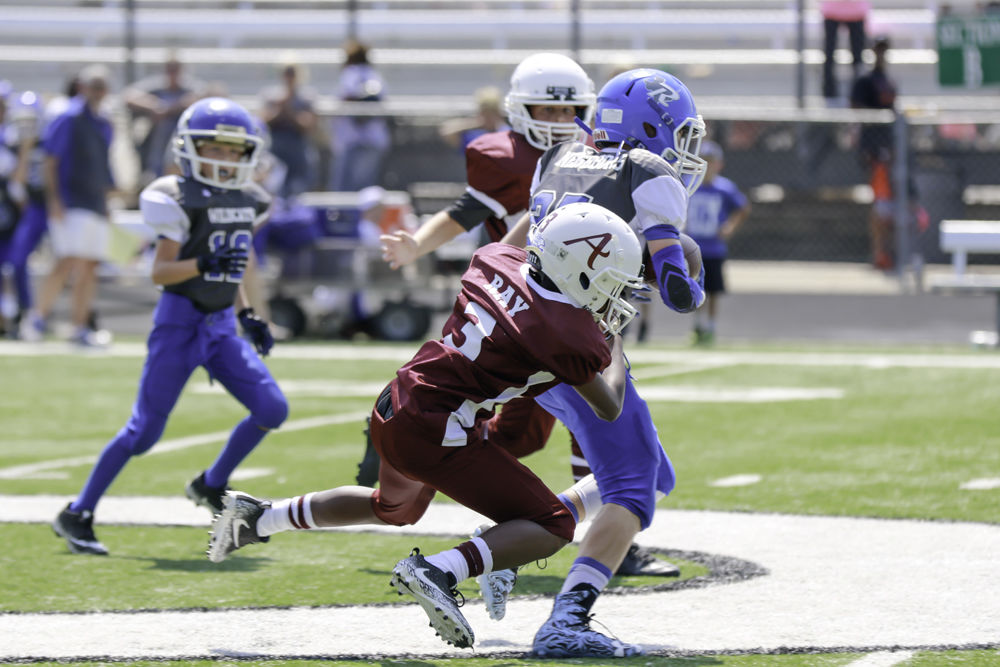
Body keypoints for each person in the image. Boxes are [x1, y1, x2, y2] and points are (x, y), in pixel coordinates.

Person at [206, 202, 644, 652]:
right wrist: (614, 340)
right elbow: (607, 406)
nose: (615, 296)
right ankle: (439, 570)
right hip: (439, 429)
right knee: (551, 524)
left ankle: (262, 518)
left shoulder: (495, 258)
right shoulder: (565, 332)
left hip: (399, 400)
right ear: (579, 269)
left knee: (394, 508)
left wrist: (551, 207)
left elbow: (522, 233)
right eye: (611, 283)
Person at [378, 53, 679, 579]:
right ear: (520, 109)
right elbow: (477, 216)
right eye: (547, 109)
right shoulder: (519, 158)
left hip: (534, 301)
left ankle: (508, 533)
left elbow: (514, 238)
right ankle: (533, 559)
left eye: (570, 112)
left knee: (557, 442)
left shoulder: (586, 158)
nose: (559, 122)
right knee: (605, 451)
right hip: (534, 314)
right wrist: (418, 246)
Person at [497, 67, 707, 657]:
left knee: (654, 471)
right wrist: (688, 282)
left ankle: (491, 550)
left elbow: (517, 242)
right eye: (682, 134)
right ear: (653, 126)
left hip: (533, 333)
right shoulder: (648, 170)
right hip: (581, 347)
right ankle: (565, 621)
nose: (688, 150)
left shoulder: (560, 157)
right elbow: (672, 275)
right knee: (635, 490)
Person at [51, 97, 288, 556]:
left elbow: (232, 267)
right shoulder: (175, 196)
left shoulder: (249, 199)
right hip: (179, 325)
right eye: (213, 149)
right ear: (190, 149)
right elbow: (160, 272)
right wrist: (203, 262)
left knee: (272, 409)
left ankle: (210, 483)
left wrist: (245, 313)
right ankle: (77, 512)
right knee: (144, 433)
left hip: (220, 326)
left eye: (231, 151)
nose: (222, 159)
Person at [22, 65, 115, 346]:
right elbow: (50, 161)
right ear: (82, 87)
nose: (98, 92)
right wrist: (55, 201)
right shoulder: (67, 117)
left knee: (90, 265)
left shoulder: (104, 122)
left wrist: (107, 202)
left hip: (95, 202)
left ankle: (80, 326)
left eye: (102, 87)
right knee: (67, 261)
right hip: (71, 200)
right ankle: (36, 319)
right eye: (94, 86)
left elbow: (103, 165)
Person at [685, 140, 751, 345]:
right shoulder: (689, 184)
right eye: (704, 161)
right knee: (695, 289)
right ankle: (697, 325)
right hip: (693, 248)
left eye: (711, 162)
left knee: (713, 290)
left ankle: (711, 327)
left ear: (718, 164)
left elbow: (743, 207)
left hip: (714, 248)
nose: (707, 166)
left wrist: (730, 226)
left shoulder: (724, 188)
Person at [0, 90, 47, 336]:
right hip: (23, 214)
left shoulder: (51, 141)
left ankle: (35, 316)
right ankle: (24, 316)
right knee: (15, 265)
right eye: (23, 122)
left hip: (49, 210)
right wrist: (25, 151)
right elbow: (17, 187)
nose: (27, 127)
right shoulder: (11, 145)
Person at [850, 35, 897, 270]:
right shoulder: (865, 82)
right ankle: (879, 252)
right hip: (874, 150)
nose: (882, 54)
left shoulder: (888, 81)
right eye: (879, 50)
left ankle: (888, 250)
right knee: (880, 204)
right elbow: (857, 109)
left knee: (889, 204)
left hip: (888, 150)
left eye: (885, 50)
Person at [124, 54, 203, 187]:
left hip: (184, 143)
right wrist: (154, 106)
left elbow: (208, 95)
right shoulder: (158, 86)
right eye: (170, 69)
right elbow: (129, 96)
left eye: (176, 69)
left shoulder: (189, 87)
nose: (173, 73)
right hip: (156, 146)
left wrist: (171, 109)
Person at [329, 40, 390, 192]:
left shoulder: (353, 72)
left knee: (347, 191)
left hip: (355, 141)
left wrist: (359, 112)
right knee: (365, 190)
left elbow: (355, 96)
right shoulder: (375, 75)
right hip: (371, 140)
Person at [259, 61, 318, 198]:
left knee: (298, 191)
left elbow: (308, 126)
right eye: (286, 73)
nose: (289, 77)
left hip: (298, 151)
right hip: (276, 149)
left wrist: (290, 111)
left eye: (292, 73)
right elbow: (263, 121)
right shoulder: (271, 95)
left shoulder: (307, 97)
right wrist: (280, 109)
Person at [821, 1, 870, 100]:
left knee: (858, 57)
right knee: (830, 56)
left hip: (855, 9)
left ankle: (859, 93)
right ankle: (829, 93)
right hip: (833, 9)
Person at [438, 86, 509, 153]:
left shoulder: (507, 134)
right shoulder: (475, 137)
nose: (488, 118)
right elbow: (446, 131)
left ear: (498, 113)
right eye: (484, 113)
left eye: (491, 113)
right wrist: (476, 122)